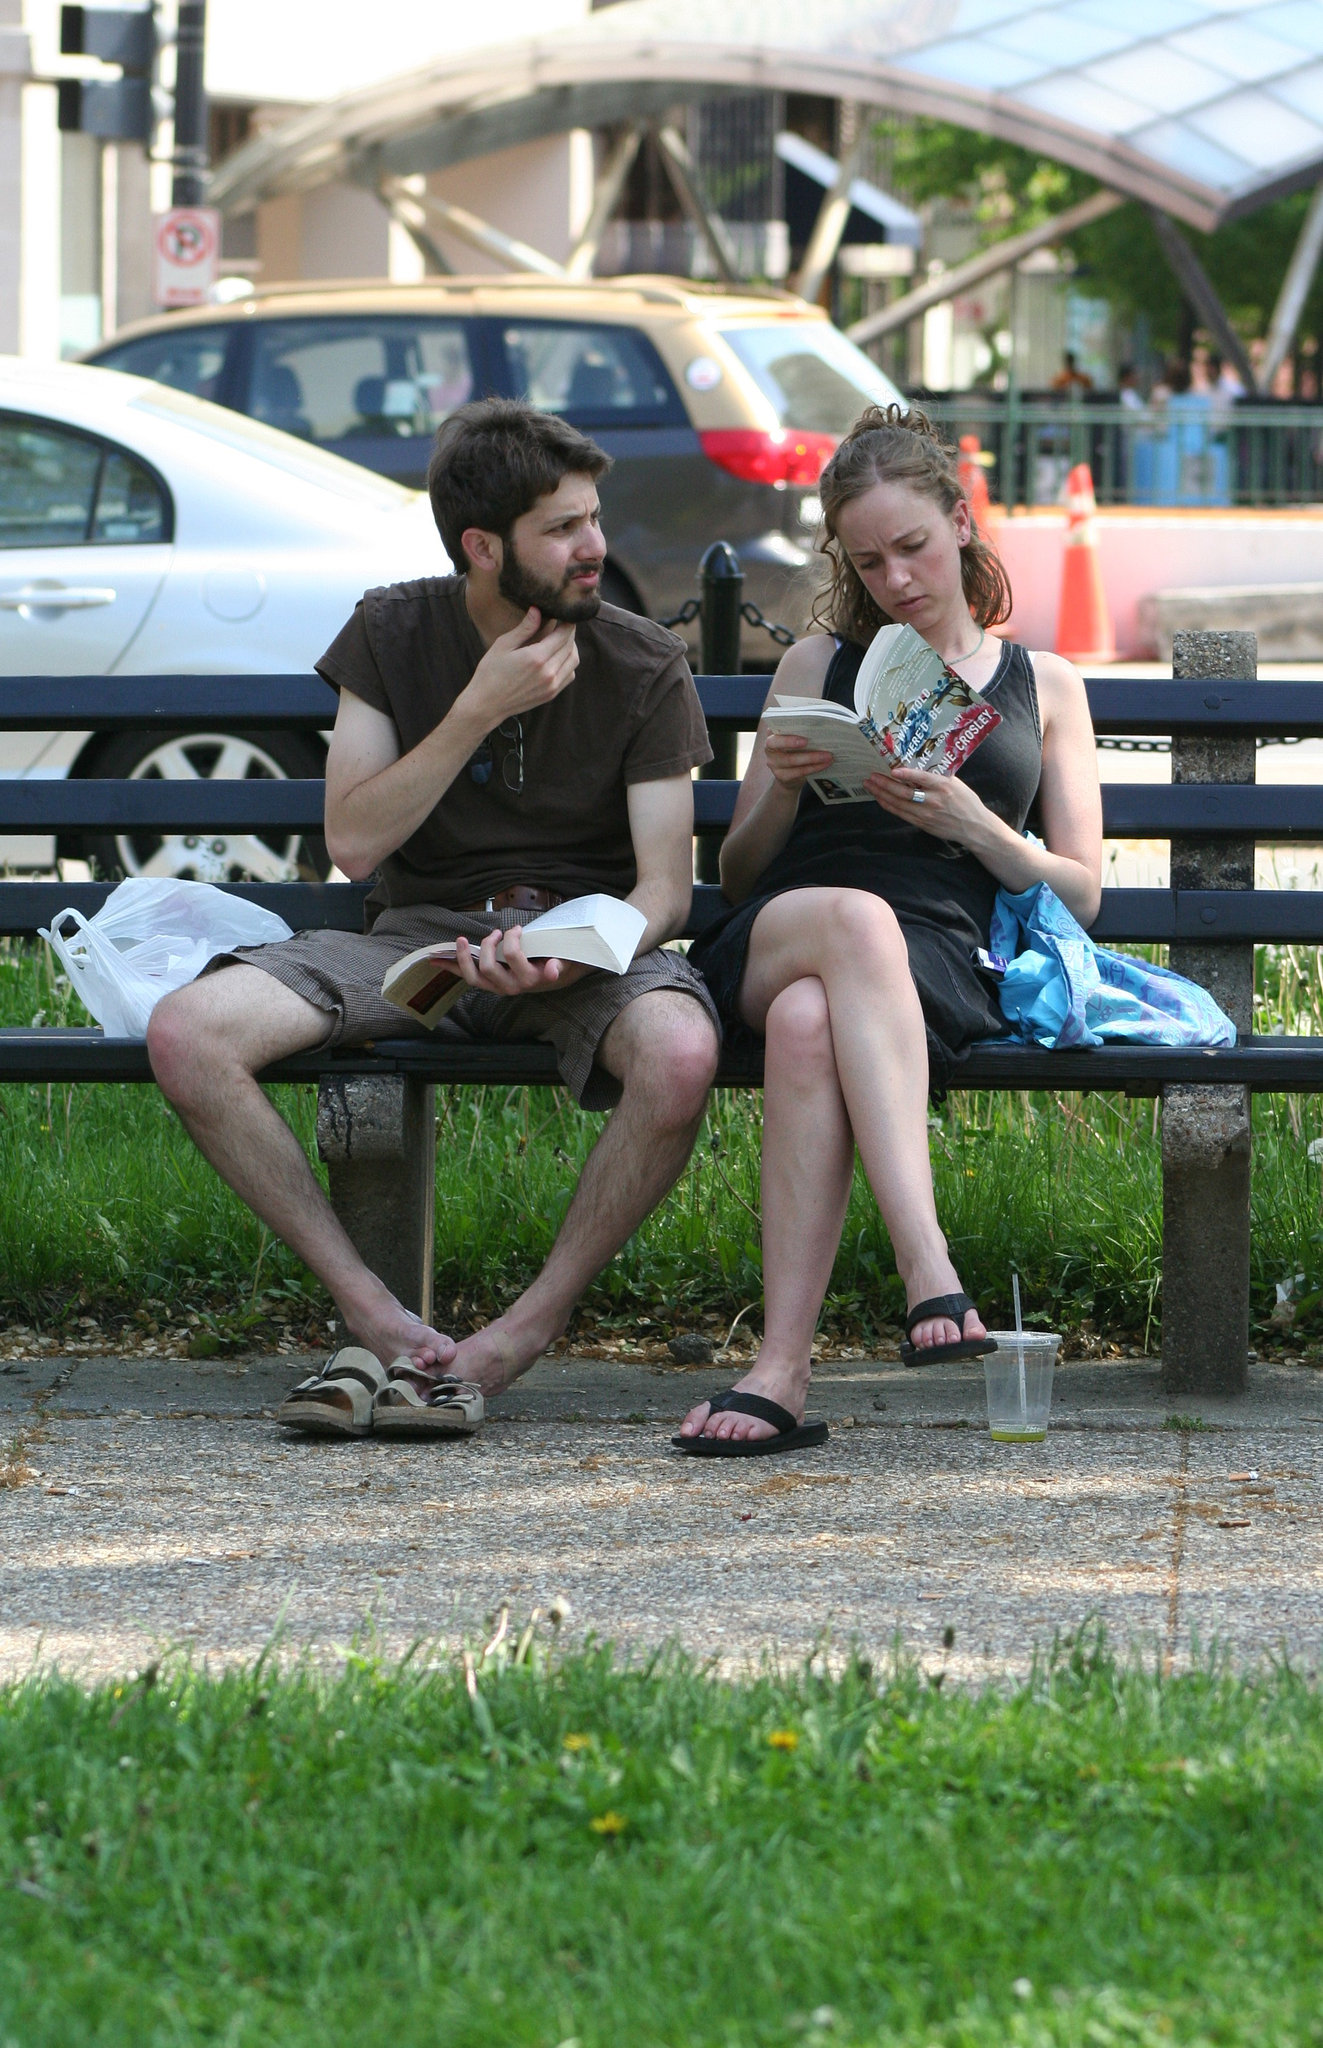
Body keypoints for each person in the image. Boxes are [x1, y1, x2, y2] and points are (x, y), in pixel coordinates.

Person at [147, 398, 721, 1434]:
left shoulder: (641, 660)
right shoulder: (391, 629)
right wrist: (477, 709)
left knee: (681, 1052)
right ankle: (374, 1318)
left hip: (581, 941)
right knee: (188, 1032)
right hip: (411, 938)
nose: (594, 546)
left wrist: (579, 950)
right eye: (563, 529)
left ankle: (513, 1338)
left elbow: (664, 888)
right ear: (483, 547)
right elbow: (356, 843)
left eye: (594, 516)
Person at [677, 405, 1102, 1454]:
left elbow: (1082, 892)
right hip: (783, 928)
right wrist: (778, 787)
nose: (897, 579)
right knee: (845, 931)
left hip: (935, 966)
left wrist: (976, 822)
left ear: (961, 521)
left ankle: (779, 1370)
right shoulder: (816, 665)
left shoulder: (1043, 684)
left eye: (912, 547)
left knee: (814, 1022)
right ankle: (928, 1264)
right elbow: (733, 875)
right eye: (868, 563)